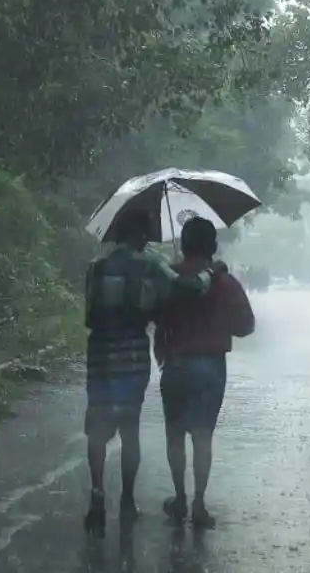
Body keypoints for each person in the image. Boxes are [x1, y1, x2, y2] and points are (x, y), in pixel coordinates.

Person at [82, 207, 228, 534]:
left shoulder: (95, 267)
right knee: (129, 427)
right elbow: (190, 288)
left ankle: (97, 492)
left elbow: (89, 316)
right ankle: (127, 501)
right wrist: (213, 272)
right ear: (141, 234)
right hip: (132, 354)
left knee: (98, 424)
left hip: (99, 353)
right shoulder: (150, 265)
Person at [154, 217, 255, 528]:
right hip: (211, 367)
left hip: (176, 364)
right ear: (213, 246)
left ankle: (179, 498)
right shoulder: (224, 282)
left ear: (184, 245)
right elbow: (246, 326)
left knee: (175, 435)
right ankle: (199, 503)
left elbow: (155, 316)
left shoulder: (171, 277)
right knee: (202, 436)